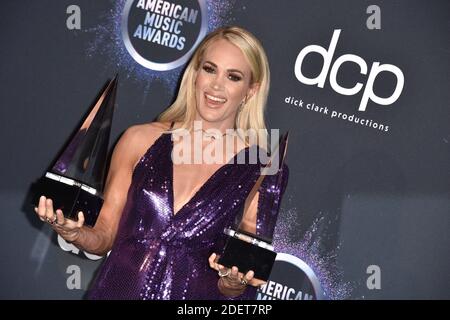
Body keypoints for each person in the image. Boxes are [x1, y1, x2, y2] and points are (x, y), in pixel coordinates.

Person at [34, 26, 289, 300]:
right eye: (209, 69)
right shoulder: (138, 139)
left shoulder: (261, 169)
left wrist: (234, 282)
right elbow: (105, 234)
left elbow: (237, 279)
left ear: (251, 90)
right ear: (194, 74)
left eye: (233, 77)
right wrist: (74, 232)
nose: (216, 85)